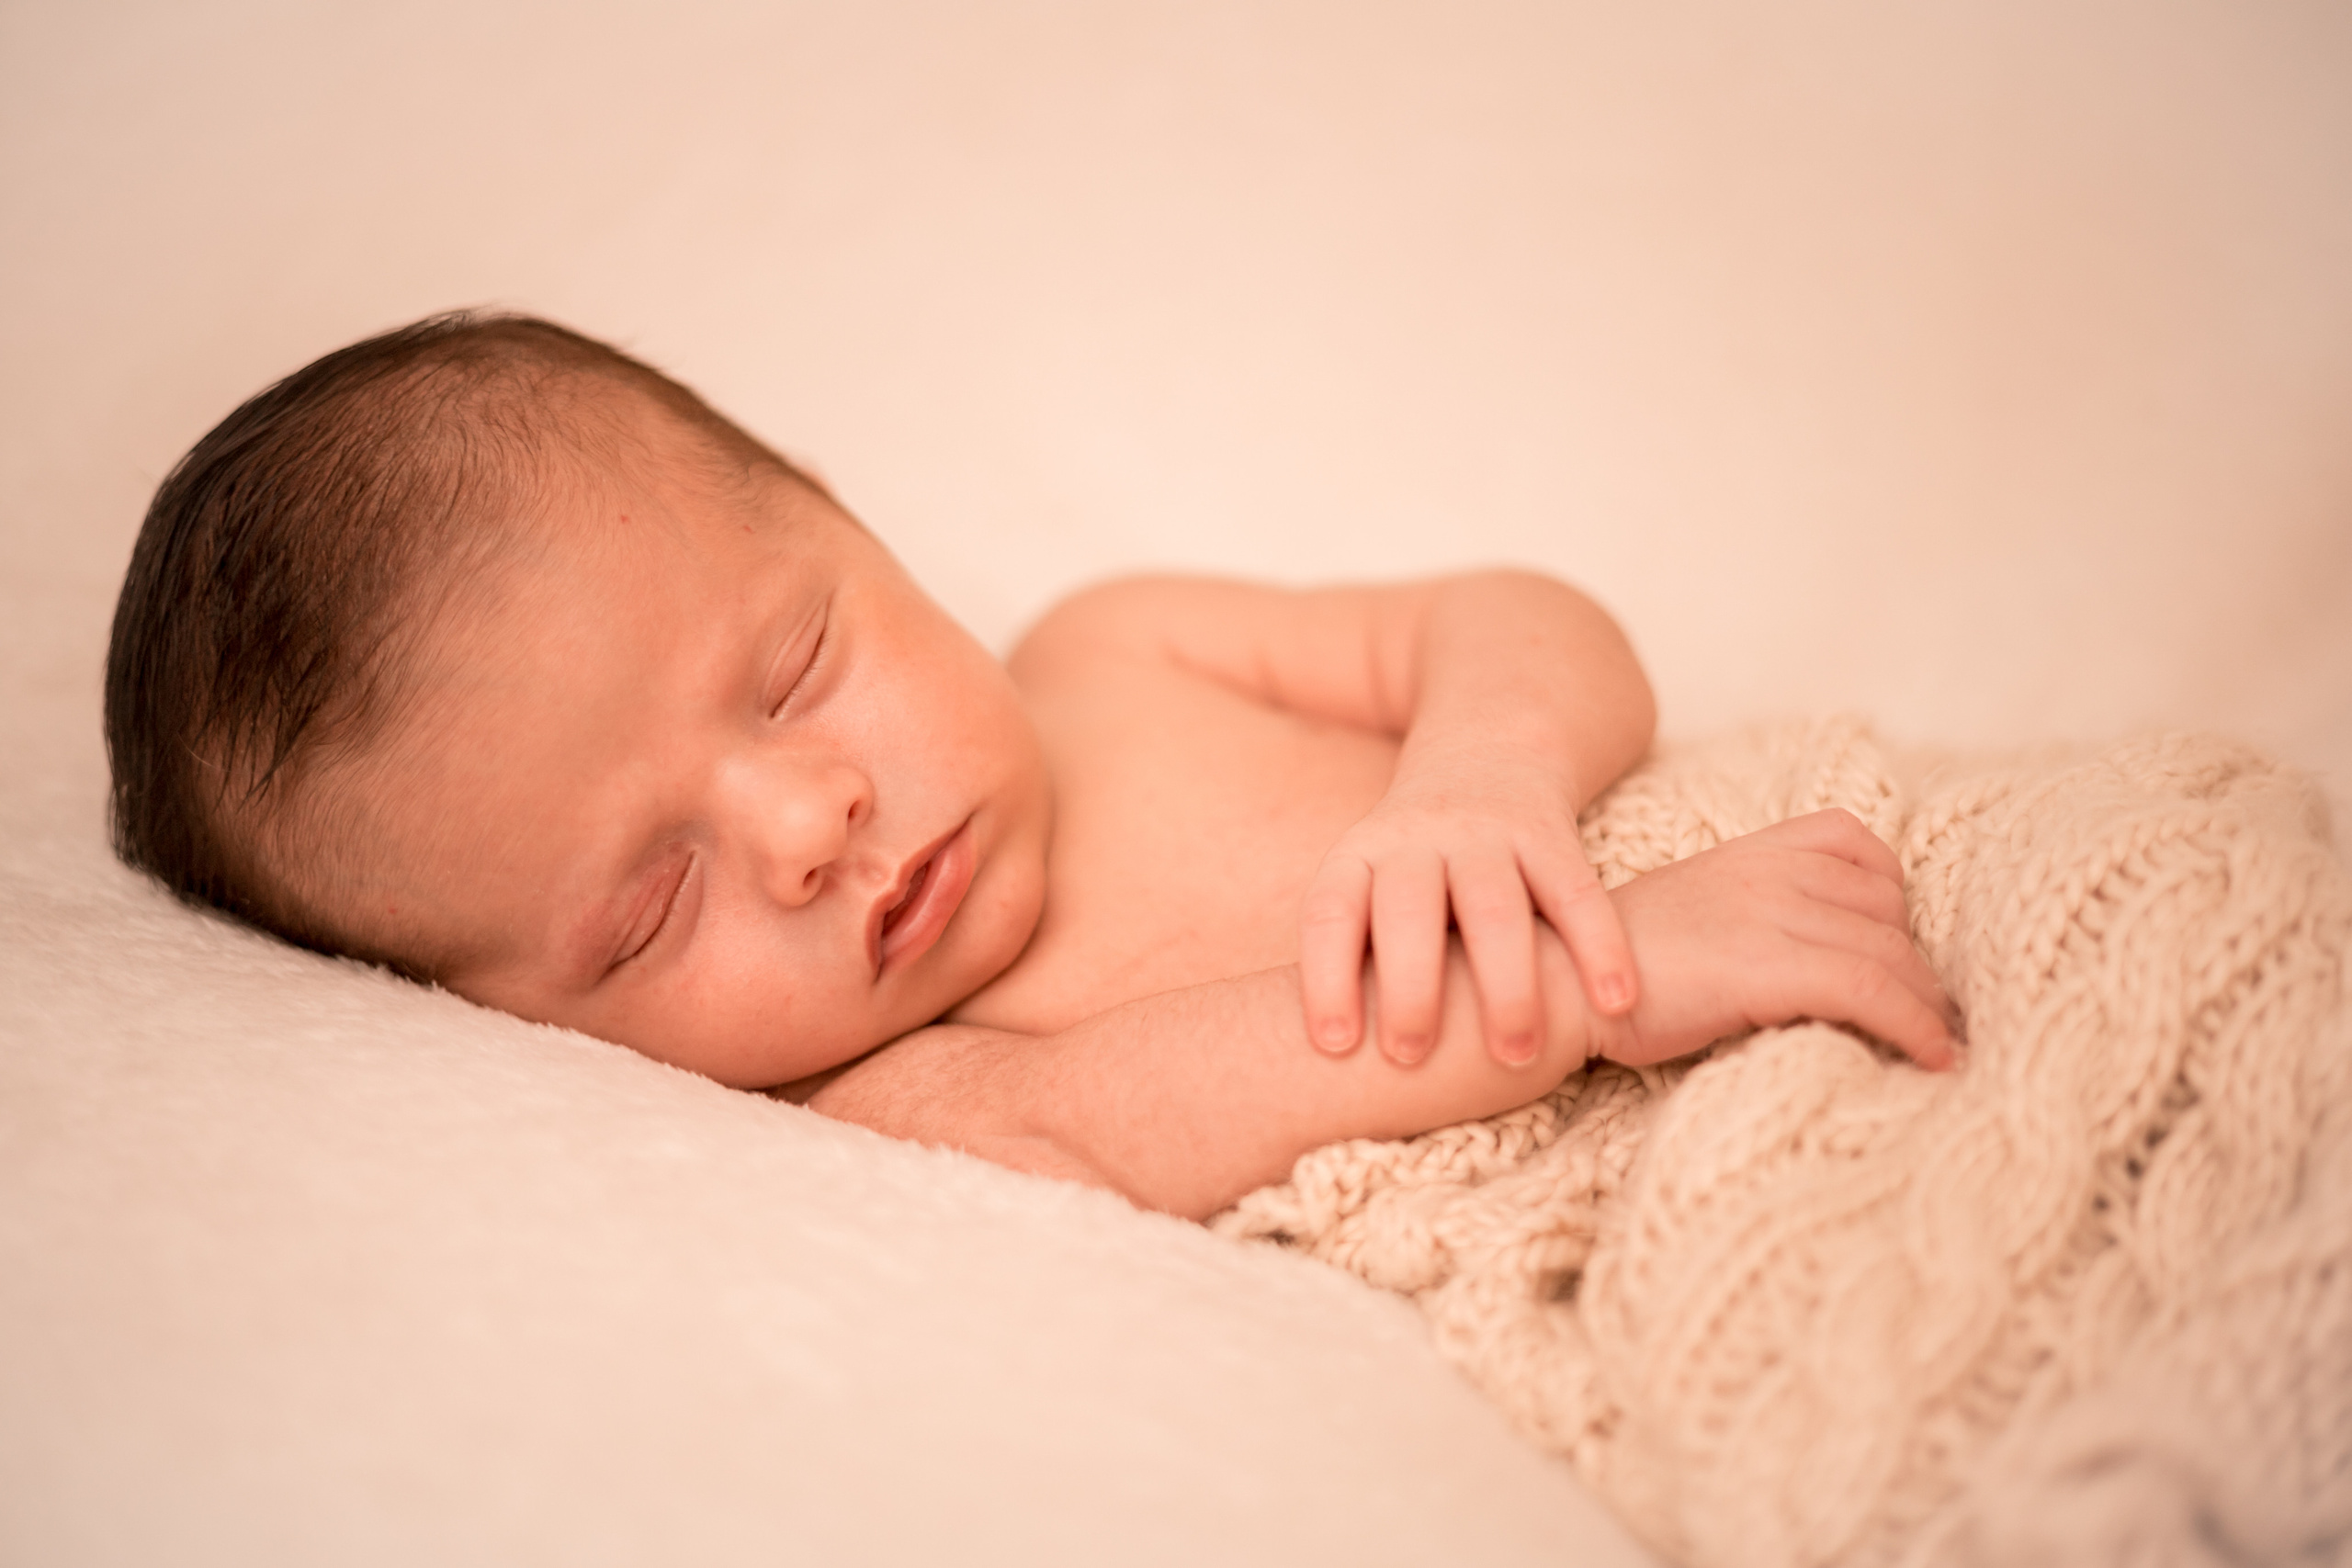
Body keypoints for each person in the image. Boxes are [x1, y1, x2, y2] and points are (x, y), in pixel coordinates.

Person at [105, 312, 1960, 1221]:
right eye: (648, 905)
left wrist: (1478, 772)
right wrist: (1602, 964)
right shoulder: (899, 1089)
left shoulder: (1112, 643)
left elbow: (1517, 620)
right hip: (1658, 1051)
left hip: (1827, 839)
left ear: (848, 522)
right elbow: (1146, 1106)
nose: (803, 823)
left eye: (792, 667)